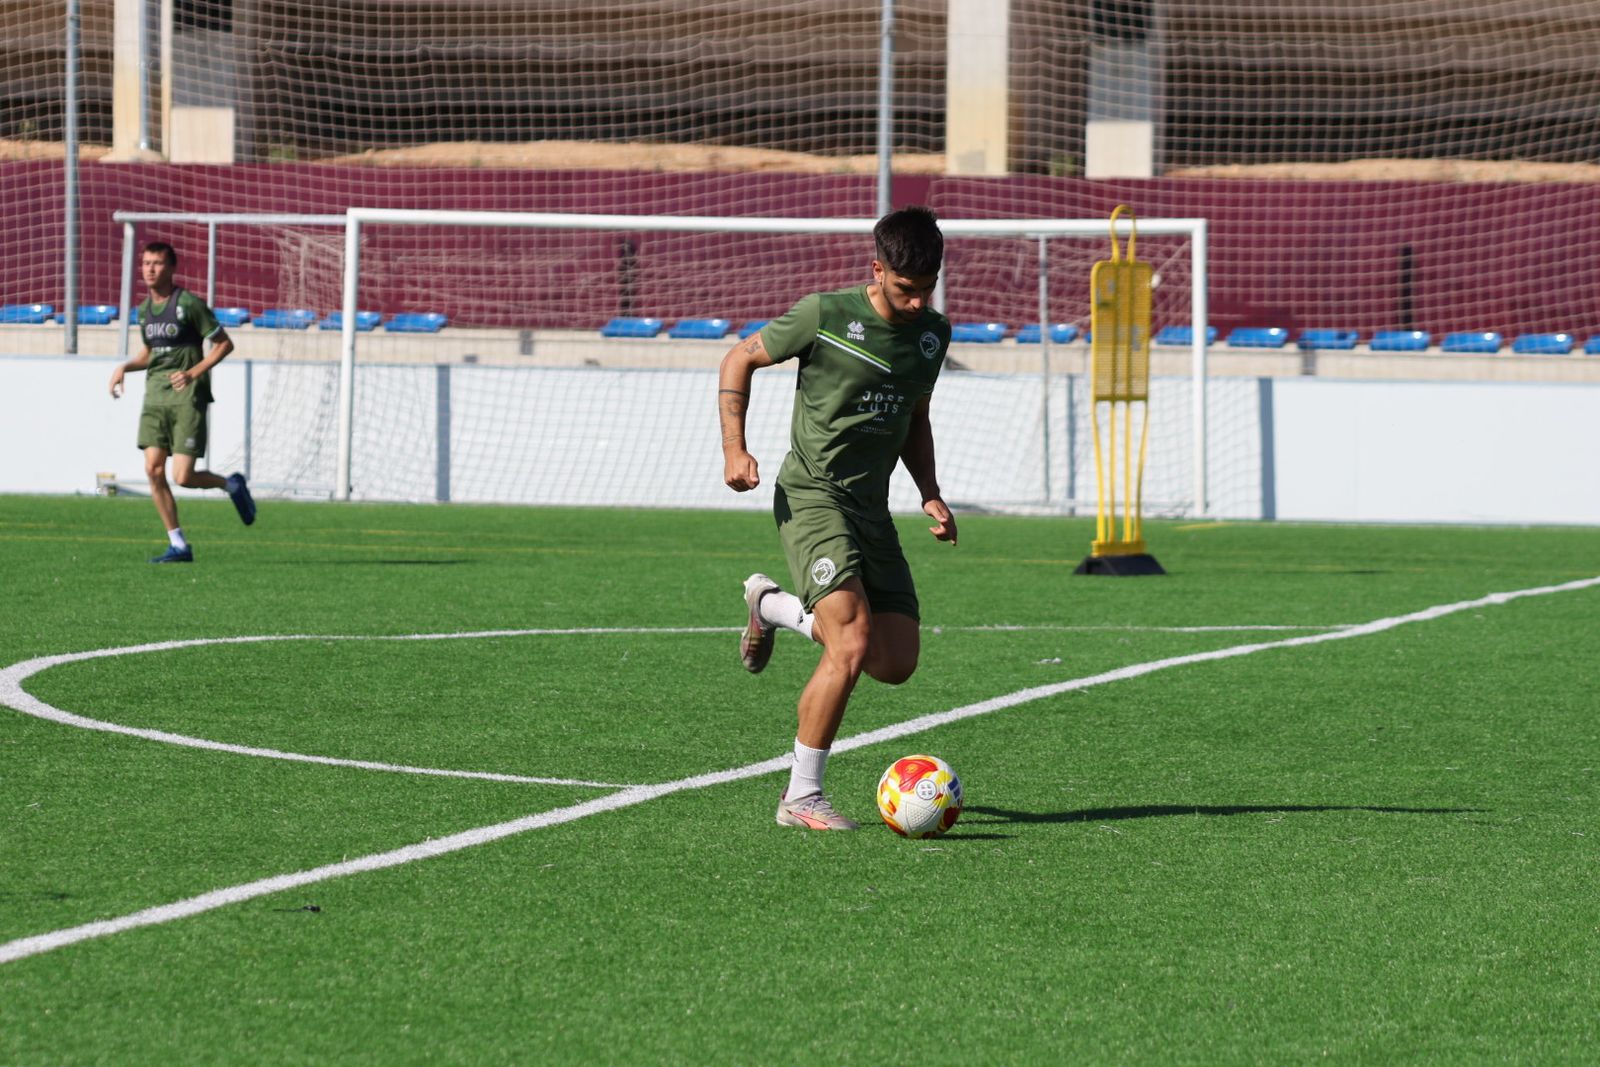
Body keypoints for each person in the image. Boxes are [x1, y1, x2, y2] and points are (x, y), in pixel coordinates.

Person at [718, 205, 958, 831]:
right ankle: (801, 796)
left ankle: (770, 606)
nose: (916, 302)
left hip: (870, 508)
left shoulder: (933, 333)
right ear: (875, 270)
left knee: (894, 660)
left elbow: (914, 417)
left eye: (926, 288)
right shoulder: (825, 315)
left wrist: (929, 491)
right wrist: (734, 448)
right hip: (812, 496)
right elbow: (738, 359)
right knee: (849, 643)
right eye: (906, 289)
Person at [108, 240, 255, 562]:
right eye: (146, 263)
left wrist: (192, 373)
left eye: (157, 263)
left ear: (171, 268)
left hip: (188, 397)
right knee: (153, 470)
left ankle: (230, 484)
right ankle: (178, 544)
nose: (150, 269)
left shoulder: (188, 304)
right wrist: (125, 367)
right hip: (155, 396)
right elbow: (150, 352)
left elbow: (223, 344)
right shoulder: (144, 311)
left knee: (183, 477)